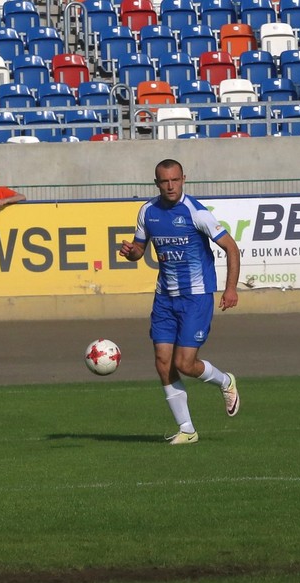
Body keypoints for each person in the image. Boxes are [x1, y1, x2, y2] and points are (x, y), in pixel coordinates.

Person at [119, 159, 241, 445]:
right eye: (164, 181)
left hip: (196, 297)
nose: (170, 186)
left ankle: (225, 381)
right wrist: (131, 252)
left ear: (183, 179)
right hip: (164, 298)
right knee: (163, 362)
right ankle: (187, 429)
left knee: (185, 364)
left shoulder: (196, 213)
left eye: (175, 180)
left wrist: (230, 289)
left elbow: (231, 248)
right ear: (157, 183)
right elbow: (139, 250)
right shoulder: (148, 211)